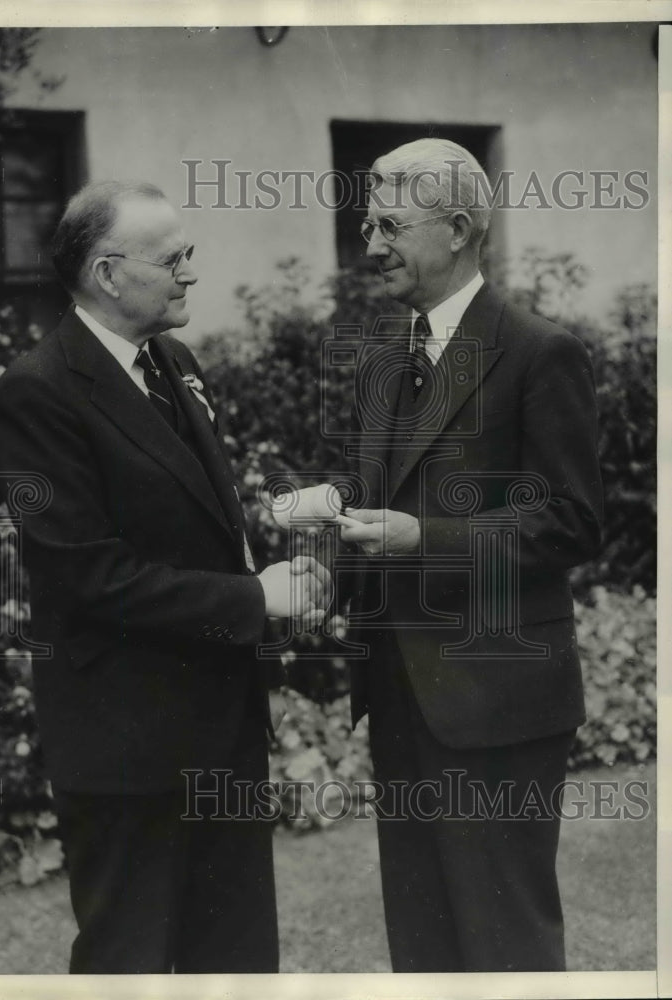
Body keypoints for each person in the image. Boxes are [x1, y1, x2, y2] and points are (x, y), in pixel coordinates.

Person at [0, 180, 330, 974]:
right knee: (130, 964)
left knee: (237, 963)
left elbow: (188, 516)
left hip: (221, 731)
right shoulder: (38, 393)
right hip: (126, 750)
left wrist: (271, 544)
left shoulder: (173, 361)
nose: (190, 273)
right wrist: (253, 597)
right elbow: (89, 577)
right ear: (108, 275)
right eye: (174, 259)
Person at [337, 139, 603, 972]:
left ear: (456, 229)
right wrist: (326, 560)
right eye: (365, 222)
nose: (369, 243)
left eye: (388, 224)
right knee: (422, 950)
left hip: (498, 705)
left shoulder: (536, 352)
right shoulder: (385, 355)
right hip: (402, 702)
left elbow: (572, 523)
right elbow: (382, 508)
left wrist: (428, 539)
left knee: (505, 948)